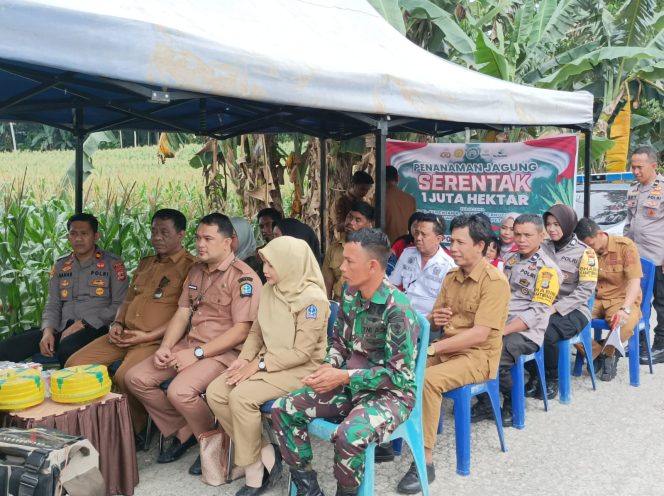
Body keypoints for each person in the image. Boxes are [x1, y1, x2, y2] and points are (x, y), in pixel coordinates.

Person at [271, 229, 420, 496]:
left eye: (350, 261)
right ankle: (308, 489)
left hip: (390, 395)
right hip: (350, 384)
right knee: (284, 408)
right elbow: (339, 343)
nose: (342, 266)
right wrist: (329, 365)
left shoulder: (397, 309)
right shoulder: (350, 295)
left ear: (372, 266)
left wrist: (345, 376)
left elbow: (399, 376)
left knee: (349, 435)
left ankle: (347, 492)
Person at [125, 213, 262, 474]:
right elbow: (182, 313)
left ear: (228, 243)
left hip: (223, 354)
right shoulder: (196, 271)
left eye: (208, 239)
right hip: (190, 346)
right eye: (198, 238)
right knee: (136, 378)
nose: (200, 244)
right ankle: (187, 429)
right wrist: (166, 346)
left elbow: (241, 332)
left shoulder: (243, 278)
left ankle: (211, 439)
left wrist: (197, 354)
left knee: (179, 391)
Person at [206, 236, 329, 496]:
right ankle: (265, 451)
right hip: (268, 360)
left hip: (301, 369)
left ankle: (254, 473)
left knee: (241, 397)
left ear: (290, 264)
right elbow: (256, 332)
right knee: (216, 391)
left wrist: (259, 365)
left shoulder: (312, 300)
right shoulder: (272, 289)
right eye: (264, 263)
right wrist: (244, 359)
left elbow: (302, 353)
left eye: (271, 265)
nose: (265, 271)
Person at [396, 214, 510, 494]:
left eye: (460, 242)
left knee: (427, 380)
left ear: (480, 246)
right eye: (452, 241)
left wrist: (433, 348)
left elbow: (480, 334)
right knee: (401, 369)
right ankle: (392, 436)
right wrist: (436, 318)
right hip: (448, 348)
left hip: (477, 356)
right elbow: (434, 321)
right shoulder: (451, 276)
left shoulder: (494, 282)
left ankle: (425, 460)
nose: (453, 247)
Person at [65, 209, 196, 439]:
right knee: (74, 364)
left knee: (125, 376)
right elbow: (127, 299)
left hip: (153, 340)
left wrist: (146, 337)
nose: (157, 237)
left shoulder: (190, 267)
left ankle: (134, 430)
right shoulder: (146, 263)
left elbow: (184, 315)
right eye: (154, 231)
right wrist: (116, 323)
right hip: (122, 334)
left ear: (181, 234)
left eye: (164, 232)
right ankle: (92, 423)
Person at [0, 213, 128, 367]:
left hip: (96, 328)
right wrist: (47, 331)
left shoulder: (112, 264)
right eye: (73, 234)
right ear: (68, 237)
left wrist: (83, 323)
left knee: (67, 349)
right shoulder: (61, 265)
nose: (78, 239)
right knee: (7, 348)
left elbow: (120, 304)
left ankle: (64, 388)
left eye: (84, 234)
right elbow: (53, 304)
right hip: (61, 328)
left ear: (96, 236)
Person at [471, 214, 561, 426]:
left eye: (527, 235)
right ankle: (485, 400)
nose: (520, 239)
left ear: (541, 235)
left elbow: (537, 313)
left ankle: (512, 402)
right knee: (469, 347)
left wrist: (502, 331)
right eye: (517, 234)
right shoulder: (511, 260)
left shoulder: (548, 270)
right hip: (501, 321)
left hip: (526, 331)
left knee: (496, 354)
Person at [525, 204, 597, 399]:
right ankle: (535, 373)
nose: (552, 229)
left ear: (568, 224)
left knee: (546, 332)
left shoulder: (585, 253)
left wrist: (554, 308)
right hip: (542, 304)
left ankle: (551, 378)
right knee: (520, 327)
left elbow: (585, 291)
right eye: (548, 224)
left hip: (574, 310)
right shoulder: (541, 248)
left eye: (557, 224)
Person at [576, 218, 642, 381]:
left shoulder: (624, 246)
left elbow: (634, 280)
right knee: (567, 322)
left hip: (621, 298)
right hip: (594, 298)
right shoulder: (583, 249)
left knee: (624, 324)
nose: (588, 249)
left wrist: (625, 309)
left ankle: (608, 352)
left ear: (600, 234)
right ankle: (600, 353)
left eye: (590, 245)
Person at [623, 145, 664, 364]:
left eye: (640, 167)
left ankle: (661, 345)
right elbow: (629, 223)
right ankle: (639, 342)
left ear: (653, 166)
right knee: (638, 302)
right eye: (633, 167)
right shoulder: (633, 190)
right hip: (636, 259)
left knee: (662, 304)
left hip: (658, 257)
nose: (636, 171)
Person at [389, 213, 455, 320]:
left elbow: (445, 305)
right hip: (401, 315)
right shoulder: (407, 253)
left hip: (428, 322)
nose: (418, 238)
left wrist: (428, 323)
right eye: (417, 233)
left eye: (424, 235)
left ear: (438, 239)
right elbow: (393, 284)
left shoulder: (448, 265)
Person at [322, 201, 374, 300]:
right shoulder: (334, 249)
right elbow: (326, 286)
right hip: (338, 305)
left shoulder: (373, 251)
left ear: (369, 225)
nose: (351, 222)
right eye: (349, 217)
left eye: (358, 220)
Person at [331, 171, 374, 235]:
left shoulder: (365, 201)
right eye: (362, 189)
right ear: (353, 185)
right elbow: (336, 227)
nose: (364, 193)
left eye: (367, 190)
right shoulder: (340, 202)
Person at [385, 165, 417, 244]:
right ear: (398, 178)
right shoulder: (410, 199)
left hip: (383, 246)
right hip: (403, 244)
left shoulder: (378, 198)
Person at [230, 216, 264, 282]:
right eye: (224, 236)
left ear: (244, 236)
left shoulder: (253, 267)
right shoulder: (225, 261)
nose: (227, 240)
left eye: (232, 237)